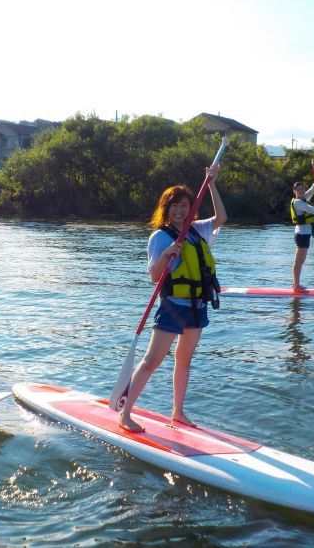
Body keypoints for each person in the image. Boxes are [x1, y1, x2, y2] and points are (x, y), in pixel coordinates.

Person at [118, 165, 226, 432]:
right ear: (166, 209)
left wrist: (211, 183)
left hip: (198, 306)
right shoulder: (159, 237)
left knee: (184, 360)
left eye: (185, 205)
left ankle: (177, 412)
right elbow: (155, 277)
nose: (179, 211)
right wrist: (167, 252)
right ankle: (125, 414)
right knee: (153, 360)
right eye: (174, 206)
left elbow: (221, 217)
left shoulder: (197, 230)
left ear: (191, 208)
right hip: (173, 306)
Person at [290, 179, 314, 292]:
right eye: (298, 189)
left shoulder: (303, 199)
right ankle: (296, 285)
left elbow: (311, 191)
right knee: (298, 261)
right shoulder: (297, 202)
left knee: (302, 261)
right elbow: (309, 208)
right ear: (294, 191)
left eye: (302, 189)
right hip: (301, 235)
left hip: (305, 235)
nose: (301, 191)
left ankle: (296, 284)